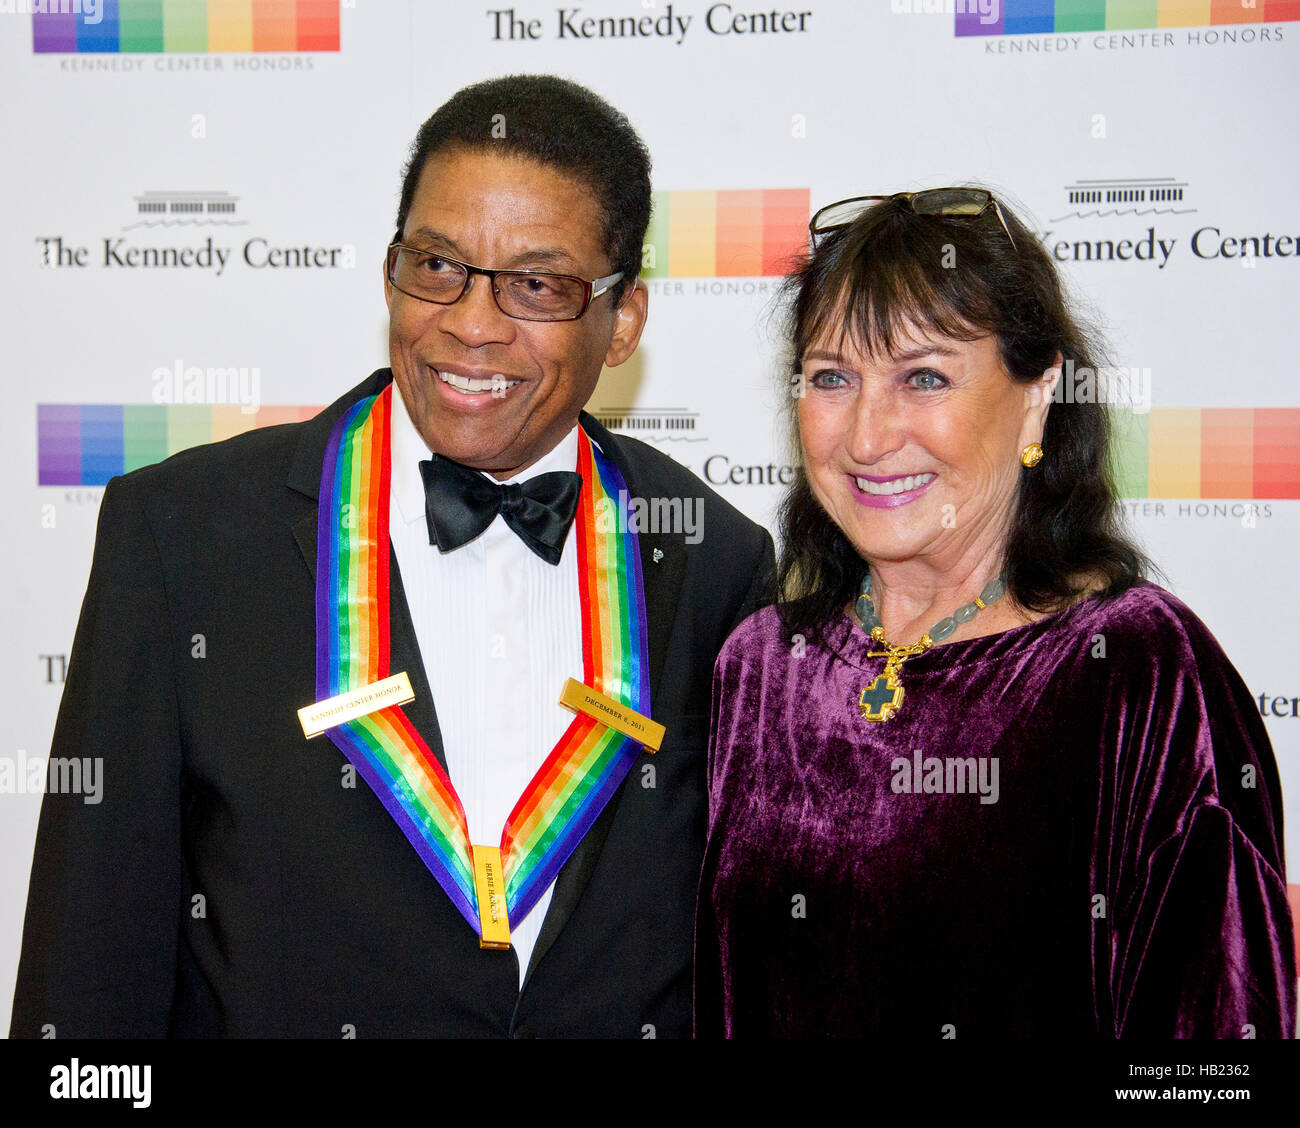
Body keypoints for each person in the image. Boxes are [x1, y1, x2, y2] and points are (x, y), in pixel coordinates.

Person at [11, 75, 775, 1039]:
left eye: (537, 284)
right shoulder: (183, 537)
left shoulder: (713, 563)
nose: (472, 322)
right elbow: (86, 980)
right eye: (438, 265)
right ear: (389, 271)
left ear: (622, 321)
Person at [694, 188, 1295, 1037]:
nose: (867, 436)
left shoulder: (1137, 668)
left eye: (924, 378)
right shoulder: (758, 666)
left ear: (1038, 394)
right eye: (833, 377)